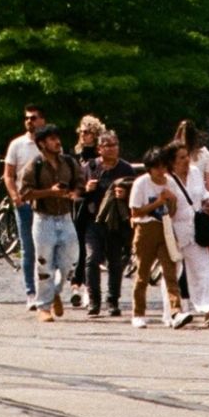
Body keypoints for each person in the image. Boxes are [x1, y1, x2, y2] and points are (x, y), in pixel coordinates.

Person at [21, 122, 82, 321]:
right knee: (44, 263)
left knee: (71, 260)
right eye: (52, 139)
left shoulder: (69, 162)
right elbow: (25, 194)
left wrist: (74, 193)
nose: (57, 142)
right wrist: (50, 192)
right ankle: (43, 306)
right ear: (42, 143)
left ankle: (56, 291)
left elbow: (79, 182)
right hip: (43, 219)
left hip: (65, 217)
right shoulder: (35, 166)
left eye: (57, 138)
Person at [128, 145, 189, 329]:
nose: (161, 172)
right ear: (149, 168)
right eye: (157, 168)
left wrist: (172, 200)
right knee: (143, 274)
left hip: (166, 230)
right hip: (145, 230)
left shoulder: (170, 182)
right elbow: (135, 212)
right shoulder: (141, 183)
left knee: (170, 272)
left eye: (163, 167)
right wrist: (158, 202)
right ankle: (138, 313)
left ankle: (175, 312)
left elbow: (171, 212)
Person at [171, 120, 209, 327]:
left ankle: (208, 308)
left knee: (201, 267)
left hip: (194, 224)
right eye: (182, 158)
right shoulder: (167, 177)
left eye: (187, 157)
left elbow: (205, 190)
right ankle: (175, 311)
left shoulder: (194, 171)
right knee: (173, 270)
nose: (187, 161)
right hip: (174, 226)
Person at [81, 131, 133, 319]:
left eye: (115, 144)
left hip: (115, 222)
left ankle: (113, 301)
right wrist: (86, 189)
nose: (112, 148)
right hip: (93, 220)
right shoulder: (90, 167)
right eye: (108, 145)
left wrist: (125, 194)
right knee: (92, 258)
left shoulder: (125, 168)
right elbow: (76, 192)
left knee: (115, 262)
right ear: (99, 148)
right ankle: (94, 301)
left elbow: (135, 193)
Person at [3, 105, 45, 308]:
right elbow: (9, 174)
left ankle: (47, 290)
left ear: (42, 120)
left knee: (47, 249)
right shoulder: (17, 145)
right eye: (27, 118)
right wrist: (15, 197)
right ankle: (31, 292)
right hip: (25, 203)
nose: (30, 121)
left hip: (45, 203)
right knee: (28, 248)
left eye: (34, 118)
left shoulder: (48, 144)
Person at [69, 116, 103, 306]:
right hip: (76, 205)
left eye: (87, 132)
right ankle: (76, 284)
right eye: (81, 132)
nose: (83, 135)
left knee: (89, 251)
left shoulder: (98, 158)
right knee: (77, 248)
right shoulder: (74, 156)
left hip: (92, 207)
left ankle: (83, 286)